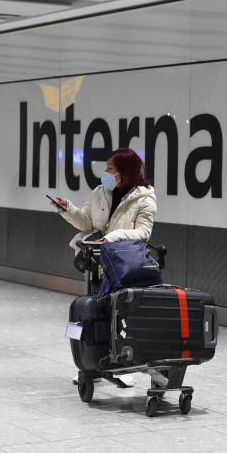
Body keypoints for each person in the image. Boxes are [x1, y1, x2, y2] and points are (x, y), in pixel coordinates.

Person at [53, 147, 157, 388]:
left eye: (110, 168)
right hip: (96, 260)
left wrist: (113, 237)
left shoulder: (144, 198)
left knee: (119, 313)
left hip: (122, 264)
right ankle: (91, 361)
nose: (106, 173)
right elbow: (87, 222)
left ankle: (121, 364)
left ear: (125, 171)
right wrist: (67, 209)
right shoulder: (101, 191)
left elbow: (143, 233)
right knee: (94, 310)